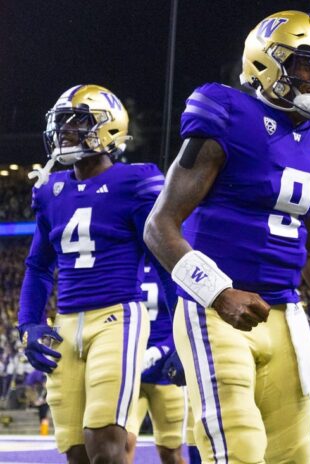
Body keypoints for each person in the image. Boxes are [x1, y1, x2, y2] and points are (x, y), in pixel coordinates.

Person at [144, 11, 310, 463]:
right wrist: (219, 293)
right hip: (214, 312)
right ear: (265, 62)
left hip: (285, 314)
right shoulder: (227, 112)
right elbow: (159, 225)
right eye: (308, 66)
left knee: (293, 455)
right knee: (238, 448)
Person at [17, 85, 175, 463]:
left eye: (78, 122)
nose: (66, 131)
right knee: (75, 451)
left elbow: (166, 262)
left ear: (110, 128)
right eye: (62, 122)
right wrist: (28, 323)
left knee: (104, 442)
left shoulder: (135, 182)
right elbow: (38, 266)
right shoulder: (51, 190)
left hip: (117, 317)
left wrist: (181, 338)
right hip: (65, 324)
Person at [126, 261, 184, 464]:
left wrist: (161, 350)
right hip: (132, 371)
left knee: (170, 454)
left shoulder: (170, 263)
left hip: (167, 374)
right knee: (124, 442)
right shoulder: (126, 262)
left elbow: (184, 320)